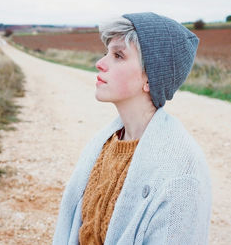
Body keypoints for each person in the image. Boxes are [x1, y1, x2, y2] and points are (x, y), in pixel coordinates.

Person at [53, 12, 212, 245]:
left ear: (151, 78)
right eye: (107, 52)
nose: (100, 63)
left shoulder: (181, 172)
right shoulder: (104, 143)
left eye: (118, 55)